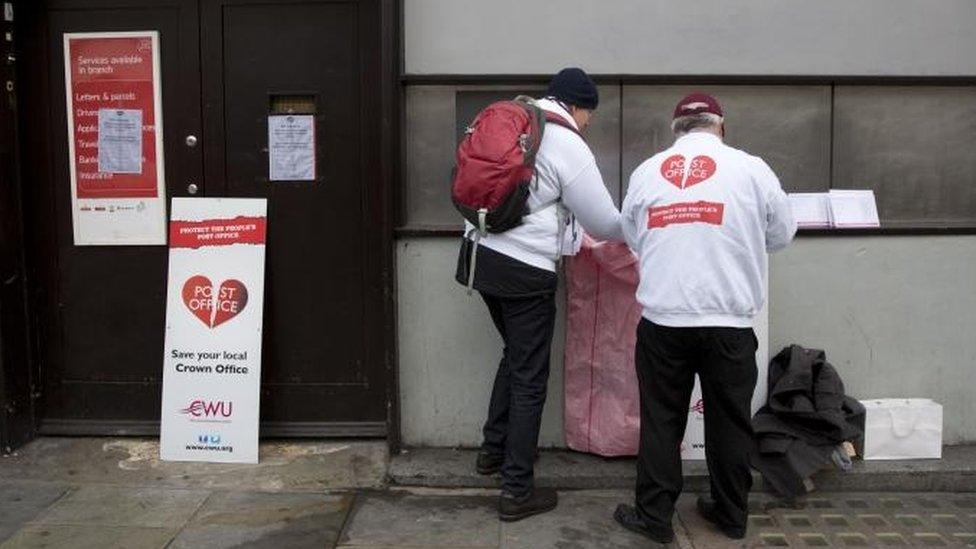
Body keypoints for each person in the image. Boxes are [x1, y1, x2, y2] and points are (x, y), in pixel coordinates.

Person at [613, 93, 797, 543]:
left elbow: (633, 235)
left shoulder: (647, 171)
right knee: (730, 422)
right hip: (729, 323)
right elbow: (781, 233)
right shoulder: (753, 169)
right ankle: (731, 514)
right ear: (721, 127)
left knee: (661, 419)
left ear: (675, 129)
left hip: (663, 320)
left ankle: (654, 517)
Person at [455, 68, 624, 522]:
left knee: (515, 356)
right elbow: (604, 223)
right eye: (589, 113)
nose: (588, 122)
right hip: (524, 270)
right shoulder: (567, 143)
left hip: (478, 258)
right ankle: (516, 491)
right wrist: (644, 227)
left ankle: (492, 452)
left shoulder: (519, 122)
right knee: (530, 376)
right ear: (577, 106)